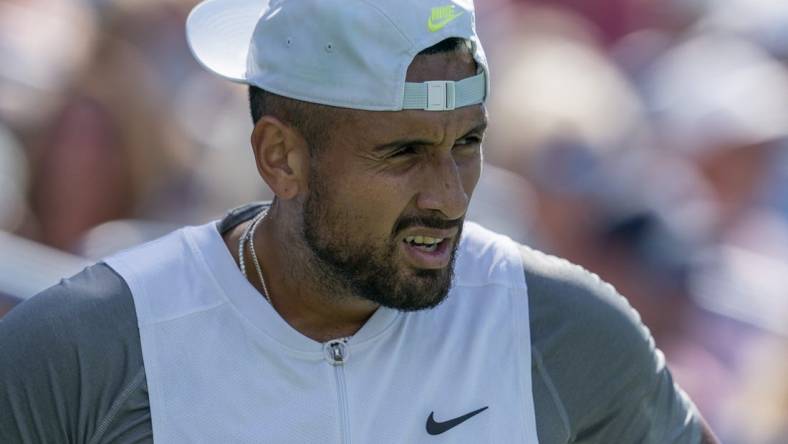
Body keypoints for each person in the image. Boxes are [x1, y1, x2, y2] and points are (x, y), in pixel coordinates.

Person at [0, 0, 718, 442]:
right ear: (281, 157)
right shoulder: (79, 350)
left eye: (466, 144)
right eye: (403, 153)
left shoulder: (564, 330)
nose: (449, 195)